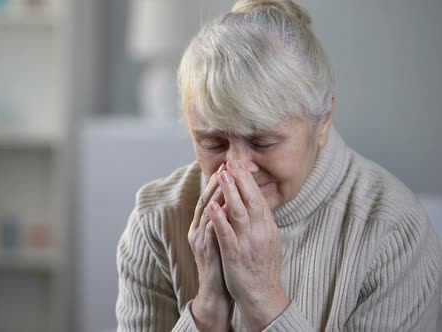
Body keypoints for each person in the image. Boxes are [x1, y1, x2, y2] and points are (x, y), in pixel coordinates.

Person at [115, 0, 442, 331]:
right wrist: (208, 308)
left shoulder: (394, 233)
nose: (237, 168)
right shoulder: (155, 220)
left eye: (262, 143)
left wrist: (264, 300)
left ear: (323, 121)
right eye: (213, 143)